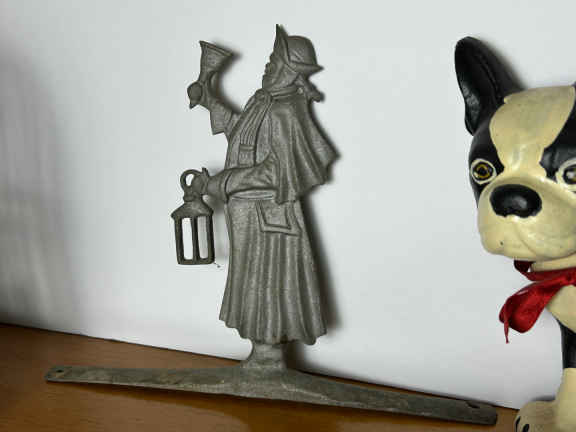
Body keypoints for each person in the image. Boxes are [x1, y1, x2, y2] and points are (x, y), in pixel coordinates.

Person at [189, 25, 335, 367]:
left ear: (288, 69)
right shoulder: (263, 100)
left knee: (268, 287)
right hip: (250, 217)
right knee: (254, 285)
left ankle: (268, 357)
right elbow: (242, 134)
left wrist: (220, 183)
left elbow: (276, 172)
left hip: (268, 220)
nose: (268, 65)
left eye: (274, 60)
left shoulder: (285, 111)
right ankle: (262, 357)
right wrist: (209, 100)